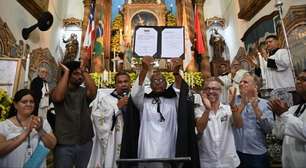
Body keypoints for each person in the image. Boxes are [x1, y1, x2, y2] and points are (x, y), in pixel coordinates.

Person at [120, 56, 200, 168]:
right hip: (148, 146)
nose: (158, 83)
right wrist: (144, 70)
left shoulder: (173, 100)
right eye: (155, 80)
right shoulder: (144, 101)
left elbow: (181, 90)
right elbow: (135, 92)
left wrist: (176, 72)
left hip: (169, 145)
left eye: (161, 80)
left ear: (167, 83)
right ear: (150, 85)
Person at [51, 61, 97, 168]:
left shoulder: (83, 91)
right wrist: (66, 72)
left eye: (80, 74)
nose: (80, 77)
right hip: (64, 143)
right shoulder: (58, 90)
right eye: (76, 74)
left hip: (84, 141)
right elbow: (58, 97)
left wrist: (84, 72)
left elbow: (93, 92)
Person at [0, 89, 56, 167]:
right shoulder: (4, 125)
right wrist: (26, 132)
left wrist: (40, 130)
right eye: (24, 102)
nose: (29, 104)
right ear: (15, 105)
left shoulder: (42, 122)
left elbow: (52, 144)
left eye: (31, 101)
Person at [195, 77, 242, 168]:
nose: (211, 91)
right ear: (203, 92)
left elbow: (239, 125)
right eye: (207, 89)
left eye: (214, 89)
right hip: (208, 163)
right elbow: (200, 129)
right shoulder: (199, 110)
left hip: (229, 162)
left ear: (220, 91)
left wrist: (232, 106)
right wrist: (207, 110)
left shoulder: (227, 109)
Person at [88, 71, 131, 168]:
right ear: (115, 84)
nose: (123, 84)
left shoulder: (135, 98)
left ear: (130, 83)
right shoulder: (106, 100)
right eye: (120, 82)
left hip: (131, 138)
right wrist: (116, 108)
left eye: (126, 81)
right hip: (115, 139)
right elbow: (98, 117)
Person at [231, 73, 273, 168]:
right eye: (240, 82)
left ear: (255, 86)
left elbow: (268, 129)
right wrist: (242, 104)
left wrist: (256, 108)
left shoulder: (265, 104)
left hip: (257, 155)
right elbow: (231, 124)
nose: (241, 84)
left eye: (245, 82)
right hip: (236, 153)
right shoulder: (233, 102)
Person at [269, 70, 306, 168]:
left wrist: (283, 114)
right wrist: (278, 115)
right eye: (298, 79)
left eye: (304, 79)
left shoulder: (288, 111)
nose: (298, 82)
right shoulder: (293, 109)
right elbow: (279, 134)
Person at [265, 35, 295, 106]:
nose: (268, 44)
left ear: (277, 42)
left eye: (270, 41)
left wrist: (268, 61)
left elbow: (285, 64)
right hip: (274, 89)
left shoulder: (283, 51)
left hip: (284, 87)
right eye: (267, 43)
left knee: (287, 111)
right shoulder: (269, 56)